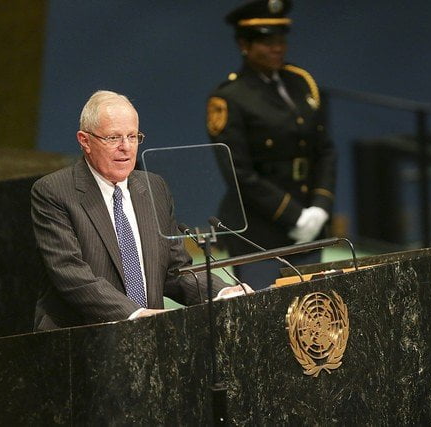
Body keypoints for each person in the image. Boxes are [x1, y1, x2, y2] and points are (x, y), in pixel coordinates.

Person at [32, 90, 249, 330]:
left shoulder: (153, 187)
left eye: (133, 136)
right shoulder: (54, 191)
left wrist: (222, 293)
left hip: (149, 341)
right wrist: (134, 315)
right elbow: (70, 272)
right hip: (81, 340)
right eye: (113, 138)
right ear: (85, 141)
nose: (126, 147)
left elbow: (175, 270)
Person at [206, 0, 336, 289]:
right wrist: (294, 215)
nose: (277, 47)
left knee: (314, 313)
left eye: (280, 39)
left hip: (309, 226)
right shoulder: (229, 97)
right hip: (259, 232)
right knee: (267, 320)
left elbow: (324, 149)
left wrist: (320, 207)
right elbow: (240, 174)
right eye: (267, 41)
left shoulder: (301, 83)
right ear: (244, 44)